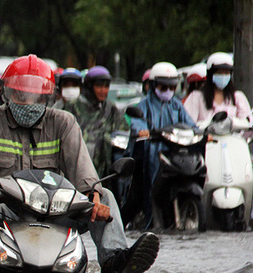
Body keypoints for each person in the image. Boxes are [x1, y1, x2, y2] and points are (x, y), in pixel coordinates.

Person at [0, 55, 159, 273]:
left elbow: (83, 171)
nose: (27, 103)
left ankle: (115, 262)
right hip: (7, 212)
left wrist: (92, 194)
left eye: (35, 97)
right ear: (6, 94)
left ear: (48, 97)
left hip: (56, 211)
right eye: (20, 95)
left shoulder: (64, 122)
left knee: (106, 197)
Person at [127, 61, 197, 229]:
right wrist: (143, 131)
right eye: (163, 87)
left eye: (172, 87)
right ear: (153, 85)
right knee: (143, 191)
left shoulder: (177, 105)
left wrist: (201, 132)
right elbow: (137, 124)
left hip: (174, 154)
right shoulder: (143, 105)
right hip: (151, 155)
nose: (168, 91)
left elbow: (191, 125)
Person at [65, 66, 129, 179]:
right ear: (89, 86)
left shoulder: (111, 109)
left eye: (106, 86)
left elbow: (122, 133)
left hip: (105, 173)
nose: (103, 90)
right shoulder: (73, 106)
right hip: (77, 168)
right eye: (99, 86)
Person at [183, 52, 251, 124]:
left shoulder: (237, 97)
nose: (223, 76)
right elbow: (188, 123)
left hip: (233, 135)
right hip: (206, 134)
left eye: (226, 73)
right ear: (210, 74)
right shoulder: (196, 97)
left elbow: (246, 123)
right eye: (219, 73)